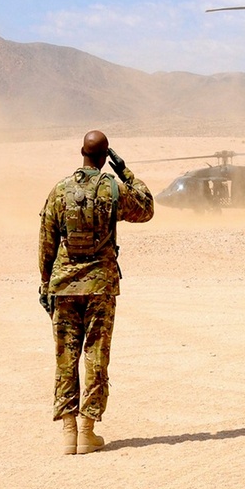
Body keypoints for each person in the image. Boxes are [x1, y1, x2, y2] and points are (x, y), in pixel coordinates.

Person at [38, 130, 154, 455]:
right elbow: (146, 208)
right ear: (105, 158)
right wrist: (125, 171)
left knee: (66, 356)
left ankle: (69, 433)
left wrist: (46, 283)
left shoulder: (60, 190)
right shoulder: (113, 189)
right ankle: (87, 431)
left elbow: (46, 240)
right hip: (100, 286)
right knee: (95, 355)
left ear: (82, 152)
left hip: (63, 286)